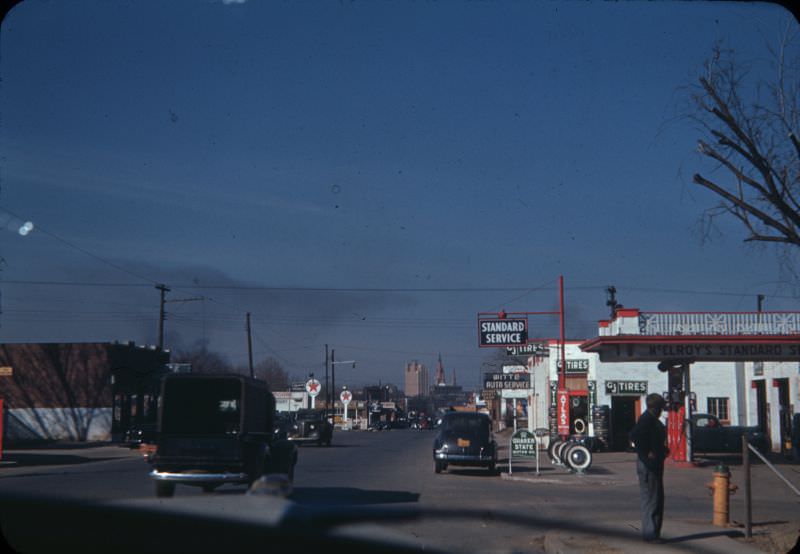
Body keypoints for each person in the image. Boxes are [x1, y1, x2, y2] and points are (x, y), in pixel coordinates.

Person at [629, 393, 668, 543]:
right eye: (661, 408)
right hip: (648, 466)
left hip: (653, 464)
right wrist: (647, 452)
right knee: (651, 499)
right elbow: (635, 436)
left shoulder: (650, 419)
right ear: (656, 407)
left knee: (656, 498)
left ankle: (654, 533)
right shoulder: (647, 420)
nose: (662, 411)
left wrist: (661, 449)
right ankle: (651, 534)